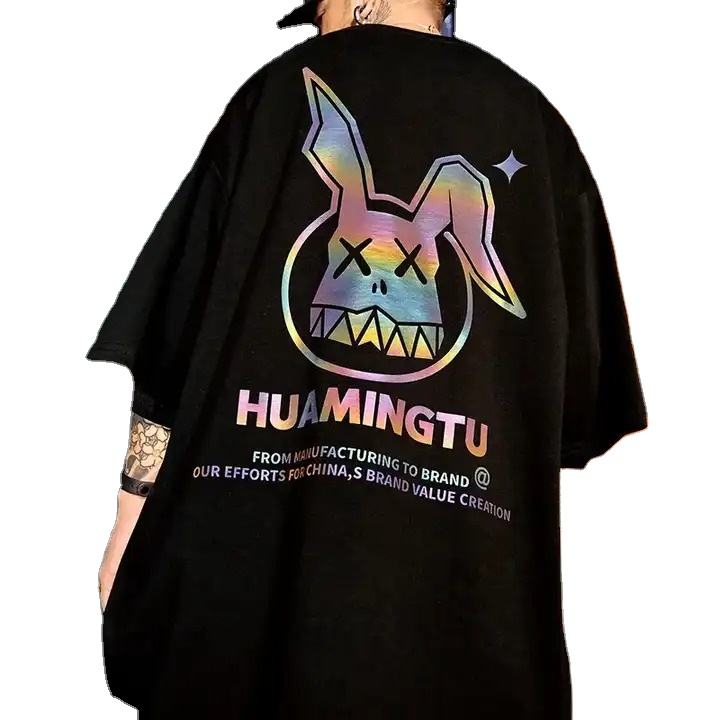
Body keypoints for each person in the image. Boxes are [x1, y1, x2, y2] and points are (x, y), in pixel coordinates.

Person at [87, 1, 647, 717]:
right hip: (465, 654)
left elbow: (166, 356)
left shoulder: (270, 101)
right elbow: (580, 410)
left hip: (234, 638)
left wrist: (129, 517)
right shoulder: (539, 131)